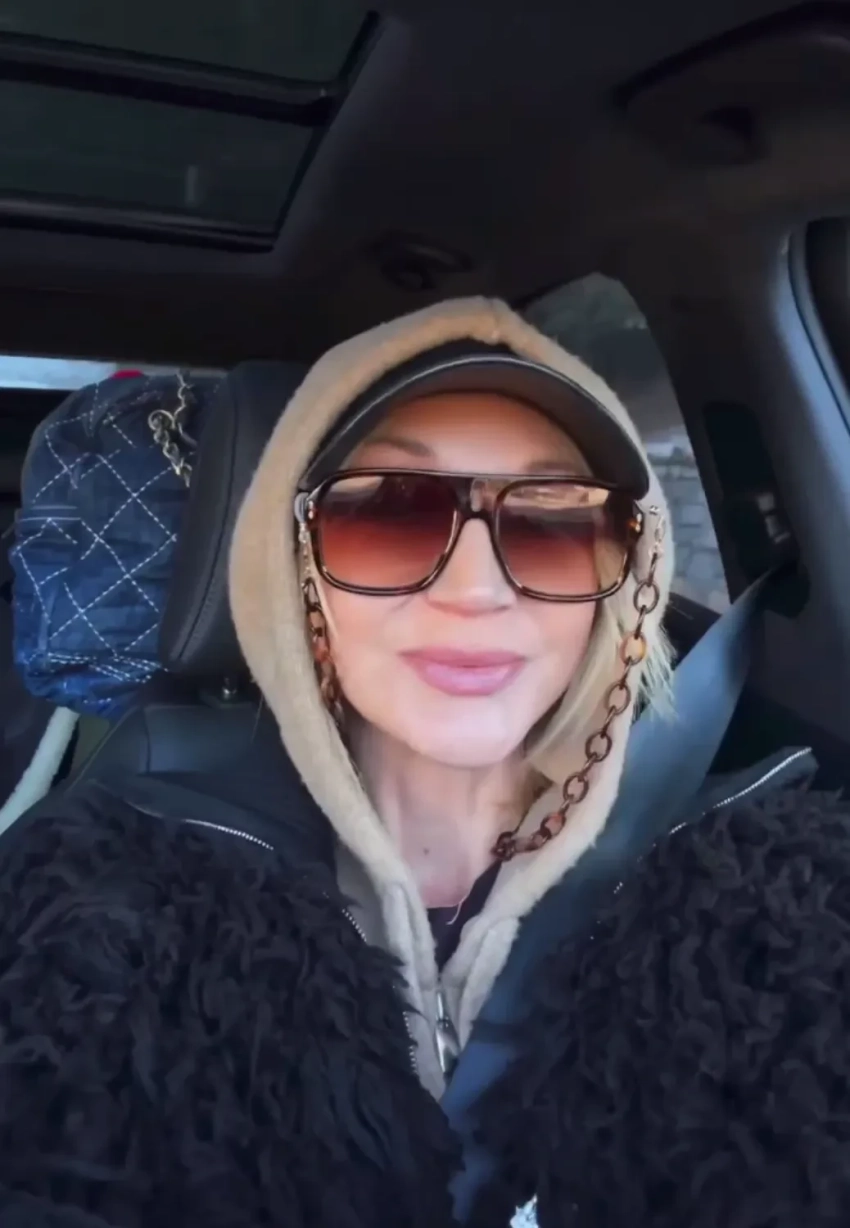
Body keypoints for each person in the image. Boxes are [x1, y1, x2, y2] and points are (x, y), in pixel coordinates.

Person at [0, 296, 844, 1228]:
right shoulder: (105, 907)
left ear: (624, 575)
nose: (477, 590)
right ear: (294, 572)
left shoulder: (770, 910)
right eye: (387, 513)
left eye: (551, 520)